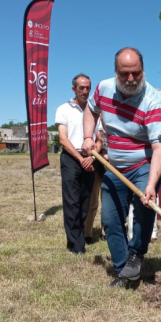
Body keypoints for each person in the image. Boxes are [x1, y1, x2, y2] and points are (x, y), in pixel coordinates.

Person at [82, 47, 161, 284]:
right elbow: (91, 110)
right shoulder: (103, 89)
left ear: (143, 70)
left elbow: (160, 148)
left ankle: (136, 255)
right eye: (124, 74)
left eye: (136, 73)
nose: (131, 79)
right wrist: (88, 136)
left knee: (143, 210)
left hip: (145, 164)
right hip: (115, 165)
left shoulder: (154, 102)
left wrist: (151, 184)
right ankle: (123, 270)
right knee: (110, 219)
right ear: (115, 72)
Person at [56, 74, 96, 254]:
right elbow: (63, 139)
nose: (85, 91)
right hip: (72, 159)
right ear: (74, 89)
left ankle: (79, 236)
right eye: (81, 88)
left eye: (87, 87)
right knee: (72, 201)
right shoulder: (63, 109)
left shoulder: (95, 111)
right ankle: (75, 244)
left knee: (85, 201)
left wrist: (91, 158)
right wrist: (81, 160)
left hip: (91, 158)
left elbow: (101, 137)